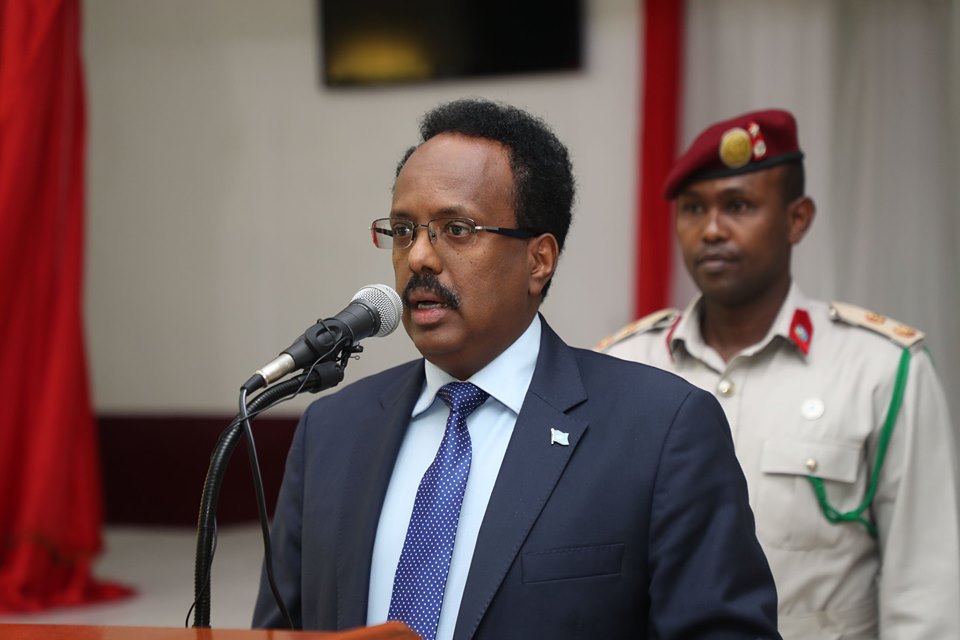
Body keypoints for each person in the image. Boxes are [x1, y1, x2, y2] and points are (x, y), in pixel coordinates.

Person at [253, 98, 781, 639]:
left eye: (457, 229)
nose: (418, 258)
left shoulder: (661, 430)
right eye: (404, 230)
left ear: (539, 260)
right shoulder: (332, 431)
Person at [598, 108, 960, 639]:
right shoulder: (624, 366)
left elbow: (924, 592)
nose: (712, 229)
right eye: (693, 208)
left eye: (738, 205)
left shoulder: (880, 370)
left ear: (797, 219)